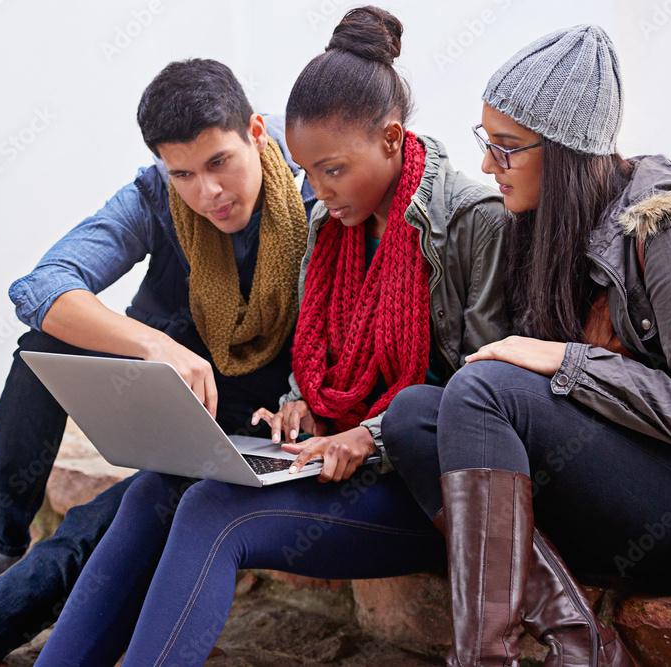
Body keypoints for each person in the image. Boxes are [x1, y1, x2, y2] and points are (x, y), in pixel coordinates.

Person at [31, 7, 509, 666]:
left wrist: (364, 435)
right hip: (327, 458)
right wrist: (301, 402)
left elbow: (484, 398)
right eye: (307, 172)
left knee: (214, 511)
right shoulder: (330, 220)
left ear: (393, 139)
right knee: (157, 487)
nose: (315, 191)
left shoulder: (472, 221)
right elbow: (320, 351)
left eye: (332, 170)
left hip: (430, 493)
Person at [0, 58, 315, 667]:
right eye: (183, 172)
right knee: (40, 351)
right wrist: (154, 345)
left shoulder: (313, 188)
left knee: (93, 528)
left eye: (219, 164)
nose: (207, 193)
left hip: (256, 418)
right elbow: (41, 287)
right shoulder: (157, 196)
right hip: (170, 391)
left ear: (257, 133)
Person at [384, 24, 671, 665]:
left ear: (563, 152)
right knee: (415, 417)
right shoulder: (541, 225)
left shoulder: (669, 230)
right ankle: (580, 645)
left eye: (506, 149)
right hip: (599, 497)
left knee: (482, 390)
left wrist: (571, 360)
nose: (485, 166)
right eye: (485, 142)